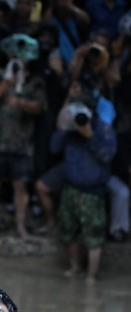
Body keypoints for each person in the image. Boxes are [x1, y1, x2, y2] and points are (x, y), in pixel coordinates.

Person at [0, 37, 46, 239]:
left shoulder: (35, 80)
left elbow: (38, 107)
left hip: (22, 145)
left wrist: (20, 103)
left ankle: (21, 227)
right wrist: (8, 81)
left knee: (20, 186)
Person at [51, 88, 117, 282]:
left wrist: (90, 136)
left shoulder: (103, 129)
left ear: (92, 110)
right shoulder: (69, 129)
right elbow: (54, 148)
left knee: (93, 237)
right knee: (67, 232)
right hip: (70, 189)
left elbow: (108, 156)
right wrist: (63, 129)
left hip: (93, 193)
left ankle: (91, 276)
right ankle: (75, 267)